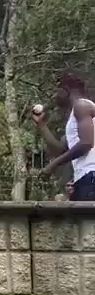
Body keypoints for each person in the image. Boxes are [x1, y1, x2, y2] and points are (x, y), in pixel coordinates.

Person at [33, 71, 95, 201]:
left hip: (91, 176)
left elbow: (86, 143)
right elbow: (60, 152)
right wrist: (42, 125)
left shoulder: (82, 106)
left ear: (65, 90)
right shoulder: (76, 115)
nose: (54, 96)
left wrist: (53, 165)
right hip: (84, 178)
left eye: (56, 92)